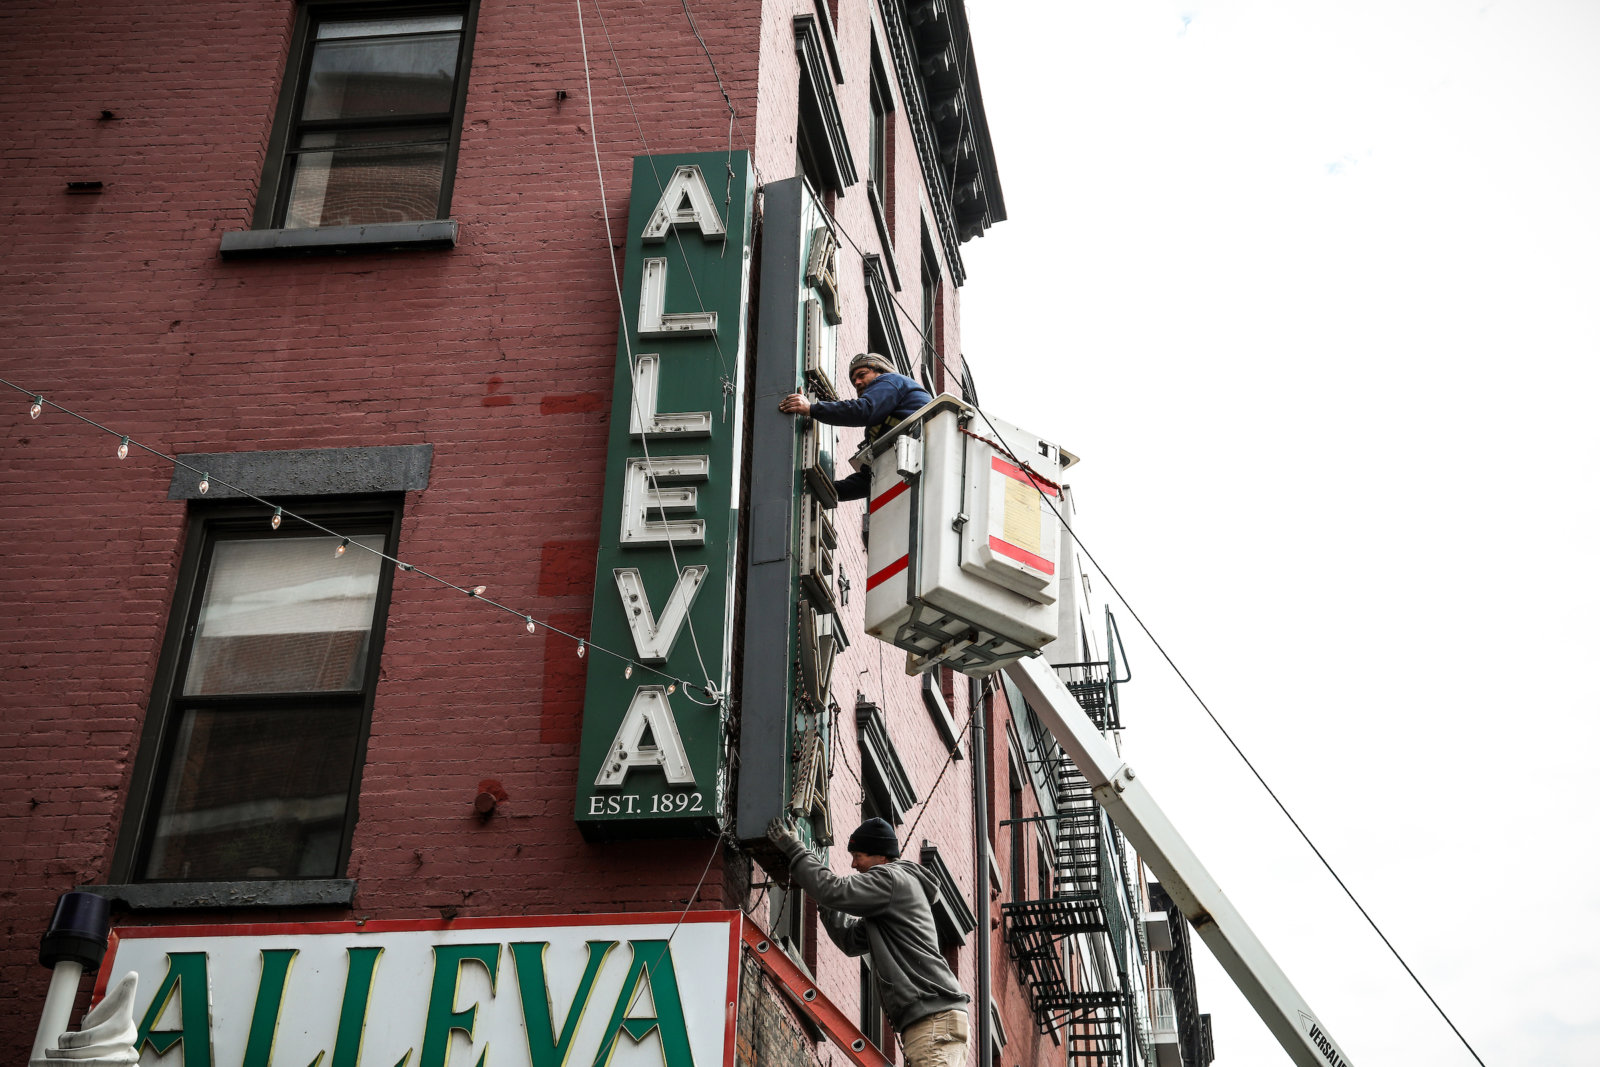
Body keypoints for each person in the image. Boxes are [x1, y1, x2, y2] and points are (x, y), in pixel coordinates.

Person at [767, 815, 971, 1067]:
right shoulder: (891, 903)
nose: (853, 864)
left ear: (881, 857)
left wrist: (794, 849)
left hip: (932, 1023)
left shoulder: (891, 879)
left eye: (858, 855)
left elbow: (835, 889)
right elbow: (851, 940)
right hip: (932, 1023)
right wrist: (824, 899)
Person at [779, 353, 933, 501]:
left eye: (862, 375)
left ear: (881, 372)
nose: (857, 382)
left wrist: (811, 409)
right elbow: (868, 480)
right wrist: (823, 492)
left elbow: (863, 410)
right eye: (853, 381)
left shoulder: (890, 380)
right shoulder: (880, 428)